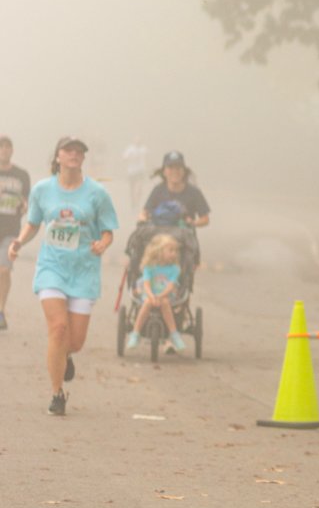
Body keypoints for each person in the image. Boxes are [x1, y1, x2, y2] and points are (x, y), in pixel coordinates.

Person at [8, 136, 118, 415]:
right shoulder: (43, 190)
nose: (74, 155)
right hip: (52, 268)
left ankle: (65, 355)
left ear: (83, 158)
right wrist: (19, 241)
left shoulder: (96, 193)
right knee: (58, 328)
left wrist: (103, 243)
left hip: (83, 270)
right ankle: (57, 393)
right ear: (57, 156)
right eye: (69, 150)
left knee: (75, 342)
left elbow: (108, 230)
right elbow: (33, 223)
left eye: (79, 151)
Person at [126, 232, 186, 353]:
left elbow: (170, 286)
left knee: (164, 303)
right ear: (159, 251)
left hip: (166, 295)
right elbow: (146, 283)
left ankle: (174, 334)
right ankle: (136, 333)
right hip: (149, 293)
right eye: (170, 250)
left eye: (175, 251)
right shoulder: (150, 267)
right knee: (147, 302)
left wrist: (160, 296)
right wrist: (151, 296)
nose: (174, 253)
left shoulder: (175, 269)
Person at [0, 135, 31, 332]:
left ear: (12, 150)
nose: (4, 150)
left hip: (11, 229)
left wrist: (23, 205)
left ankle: (0, 310)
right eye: (1, 147)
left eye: (7, 147)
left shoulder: (21, 175)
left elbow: (26, 202)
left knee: (4, 270)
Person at [140, 150, 211, 229]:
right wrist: (142, 220)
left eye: (178, 168)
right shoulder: (157, 190)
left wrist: (192, 223)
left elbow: (205, 219)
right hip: (159, 234)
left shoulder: (194, 192)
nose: (175, 171)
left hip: (185, 235)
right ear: (164, 171)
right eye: (170, 168)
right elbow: (144, 212)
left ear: (184, 171)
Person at [122, 137, 149, 213]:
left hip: (141, 170)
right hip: (131, 171)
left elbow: (147, 158)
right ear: (133, 140)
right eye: (136, 139)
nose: (138, 140)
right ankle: (133, 202)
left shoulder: (144, 149)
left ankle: (137, 201)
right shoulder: (130, 149)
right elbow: (124, 158)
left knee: (140, 186)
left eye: (139, 139)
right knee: (132, 188)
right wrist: (129, 158)